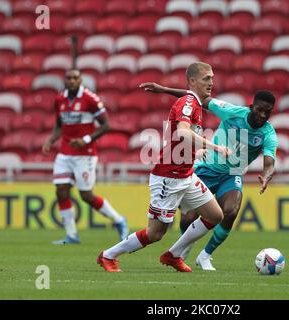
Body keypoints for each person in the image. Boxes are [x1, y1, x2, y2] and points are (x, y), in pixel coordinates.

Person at [97, 62, 232, 272]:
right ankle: (108, 255)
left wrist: (195, 153)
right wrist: (215, 147)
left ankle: (173, 255)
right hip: (169, 178)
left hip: (186, 175)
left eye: (212, 78)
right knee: (155, 234)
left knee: (215, 215)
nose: (211, 82)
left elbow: (181, 140)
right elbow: (183, 133)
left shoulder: (194, 103)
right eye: (207, 78)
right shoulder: (187, 103)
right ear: (192, 81)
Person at [140, 82, 277, 271]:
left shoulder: (268, 133)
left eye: (267, 112)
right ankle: (181, 250)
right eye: (260, 110)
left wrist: (266, 174)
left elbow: (269, 162)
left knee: (231, 210)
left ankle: (205, 256)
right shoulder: (231, 111)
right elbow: (198, 98)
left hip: (231, 174)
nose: (263, 115)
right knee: (188, 218)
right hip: (206, 168)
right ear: (251, 107)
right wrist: (164, 90)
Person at [42, 69, 129, 245]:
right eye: (69, 78)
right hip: (65, 153)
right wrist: (50, 140)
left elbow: (106, 125)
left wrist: (85, 140)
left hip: (85, 154)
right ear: (65, 80)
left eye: (75, 78)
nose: (72, 81)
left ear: (81, 80)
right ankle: (72, 235)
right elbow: (60, 125)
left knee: (86, 195)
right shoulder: (59, 99)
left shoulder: (90, 99)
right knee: (61, 191)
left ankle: (119, 220)